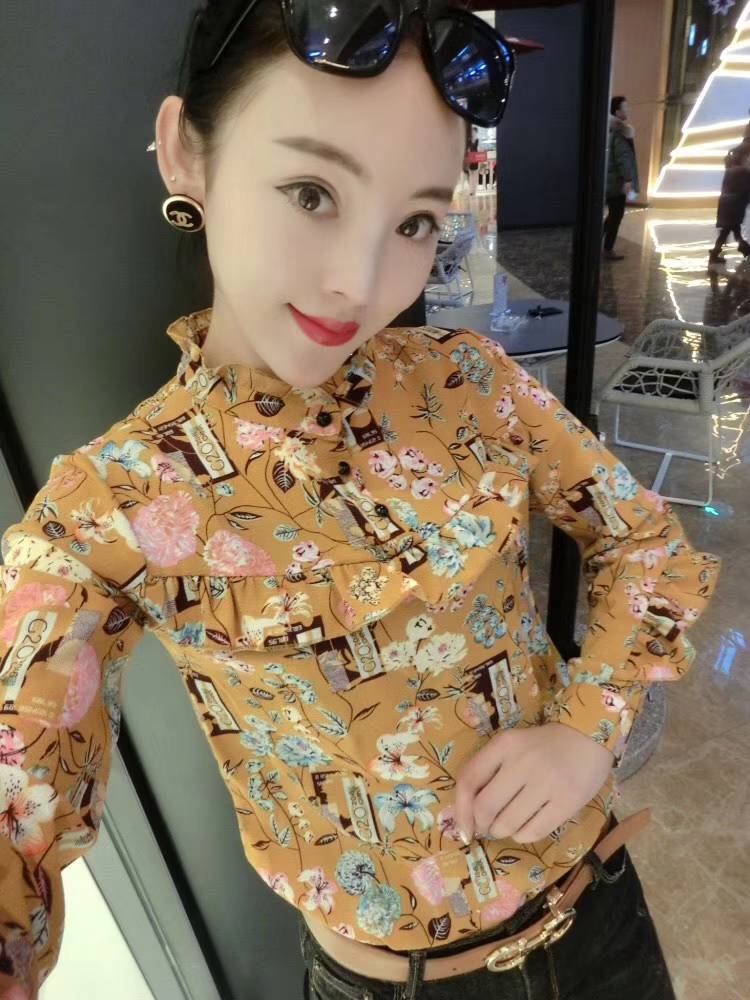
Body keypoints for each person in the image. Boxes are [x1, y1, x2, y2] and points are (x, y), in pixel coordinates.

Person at [0, 4, 721, 999]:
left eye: (415, 221)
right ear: (186, 154)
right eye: (312, 192)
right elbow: (18, 781)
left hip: (601, 921)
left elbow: (642, 540)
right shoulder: (110, 507)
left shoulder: (468, 382)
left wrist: (586, 727)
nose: (361, 281)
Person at [603, 96, 640, 261]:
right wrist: (628, 180)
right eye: (625, 107)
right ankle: (607, 249)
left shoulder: (611, 129)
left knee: (613, 214)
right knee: (616, 215)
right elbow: (622, 158)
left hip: (612, 180)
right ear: (617, 111)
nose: (628, 110)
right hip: (617, 182)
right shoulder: (620, 132)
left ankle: (598, 243)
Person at [709, 142, 750, 264]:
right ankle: (715, 253)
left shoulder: (729, 171)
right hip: (735, 205)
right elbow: (746, 189)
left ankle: (744, 248)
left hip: (725, 204)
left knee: (732, 230)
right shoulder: (744, 172)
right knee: (728, 230)